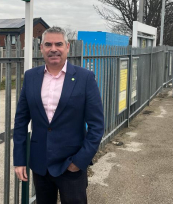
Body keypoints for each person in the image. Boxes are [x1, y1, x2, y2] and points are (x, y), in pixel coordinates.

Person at [13, 26, 104, 204]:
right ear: (41, 48)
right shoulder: (31, 77)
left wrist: (79, 161)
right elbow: (21, 121)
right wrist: (19, 160)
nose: (53, 49)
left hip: (71, 164)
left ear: (67, 47)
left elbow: (97, 125)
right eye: (48, 44)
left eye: (58, 44)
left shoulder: (85, 78)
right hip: (40, 165)